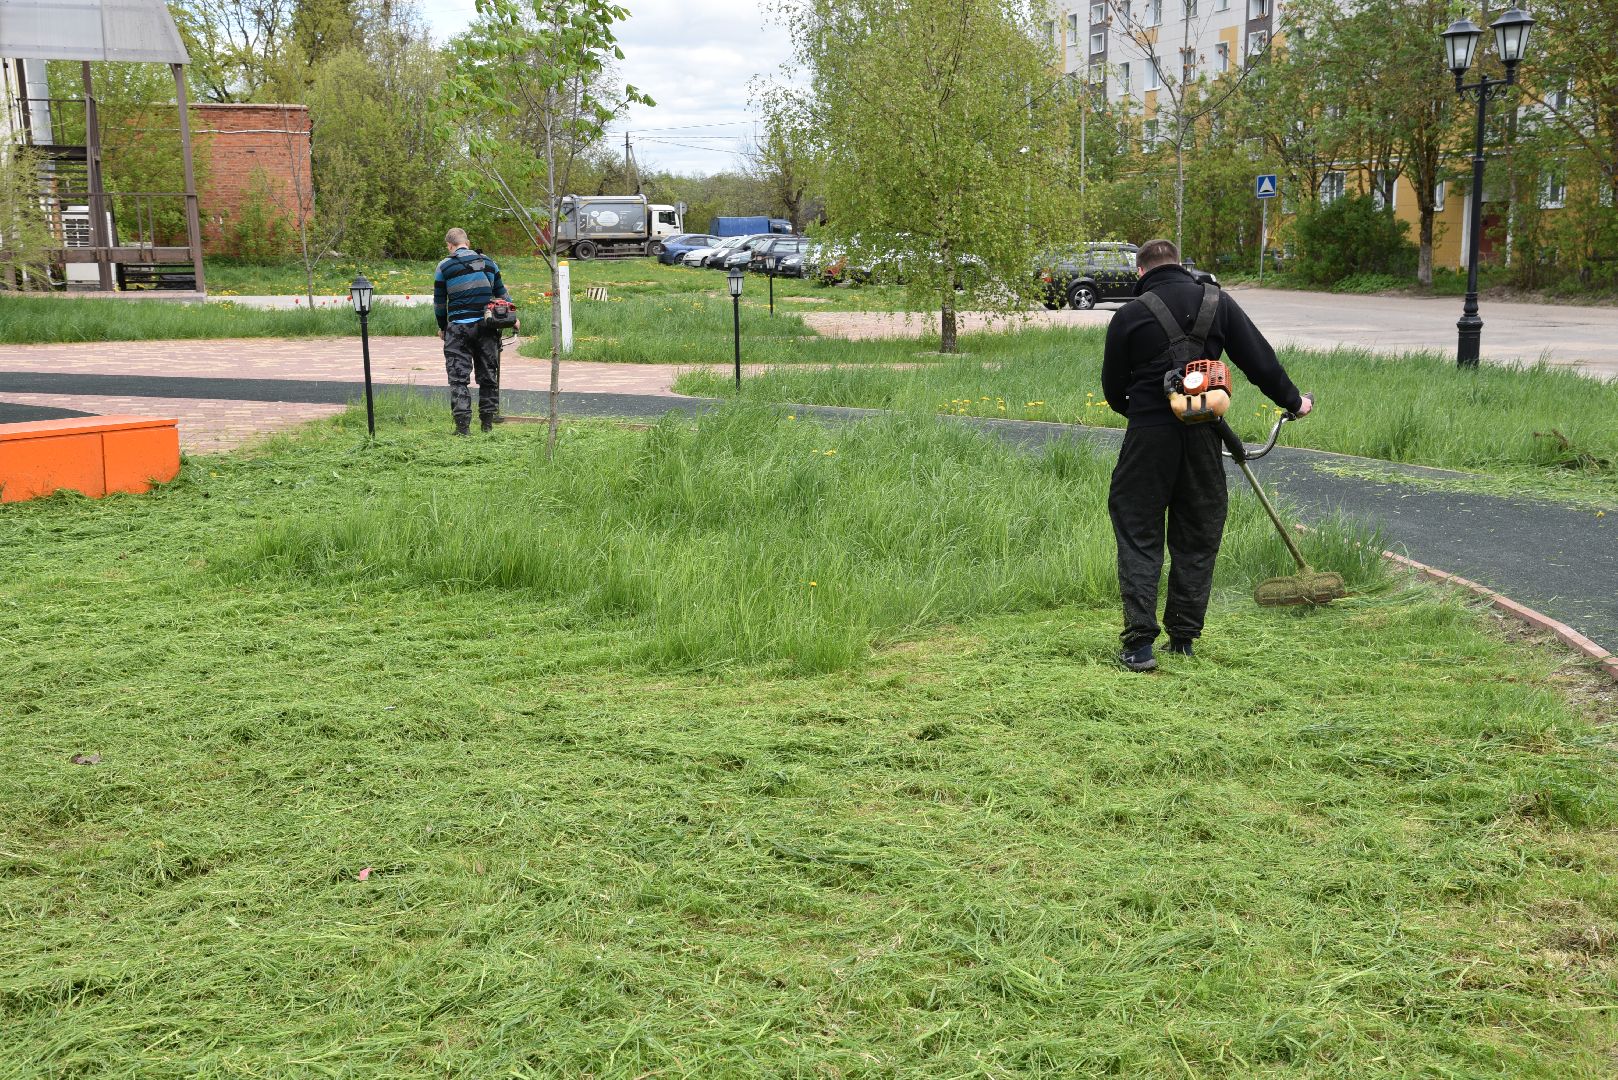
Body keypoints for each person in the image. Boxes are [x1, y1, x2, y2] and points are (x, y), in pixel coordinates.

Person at [1100, 239, 1313, 672]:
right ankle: (1183, 639)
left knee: (1139, 533)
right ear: (1181, 265)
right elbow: (1260, 361)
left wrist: (1144, 412)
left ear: (1141, 273)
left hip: (1146, 441)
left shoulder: (1129, 315)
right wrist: (1294, 402)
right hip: (1204, 438)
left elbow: (1112, 389)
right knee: (1197, 536)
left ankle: (1139, 646)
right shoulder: (1218, 302)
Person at [433, 228, 515, 435]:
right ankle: (487, 425)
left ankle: (463, 429)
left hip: (458, 328)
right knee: (488, 375)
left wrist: (443, 327)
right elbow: (503, 295)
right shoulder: (488, 263)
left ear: (449, 245)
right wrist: (512, 318)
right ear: (467, 242)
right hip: (486, 327)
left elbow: (439, 303)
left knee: (458, 378)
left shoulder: (444, 266)